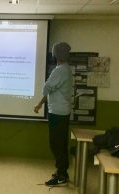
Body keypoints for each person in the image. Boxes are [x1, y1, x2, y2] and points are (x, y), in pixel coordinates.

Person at [34, 42, 72, 186]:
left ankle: (61, 174)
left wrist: (44, 91)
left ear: (56, 54)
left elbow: (46, 88)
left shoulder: (59, 70)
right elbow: (51, 91)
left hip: (58, 113)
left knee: (56, 144)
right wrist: (40, 104)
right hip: (62, 111)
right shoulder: (66, 69)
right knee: (61, 144)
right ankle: (62, 171)